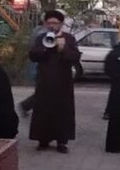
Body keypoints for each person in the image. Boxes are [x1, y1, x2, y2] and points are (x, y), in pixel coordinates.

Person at [28, 10, 81, 153]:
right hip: (45, 81)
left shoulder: (69, 38)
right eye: (49, 23)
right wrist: (45, 48)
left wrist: (63, 49)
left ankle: (61, 141)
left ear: (61, 24)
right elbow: (33, 56)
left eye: (55, 23)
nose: (52, 26)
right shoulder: (41, 38)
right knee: (43, 110)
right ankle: (43, 139)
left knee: (62, 111)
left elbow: (75, 57)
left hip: (63, 82)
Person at [18, 19, 48, 117]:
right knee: (43, 91)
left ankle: (27, 106)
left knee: (43, 90)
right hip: (39, 65)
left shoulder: (37, 30)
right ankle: (25, 105)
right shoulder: (43, 33)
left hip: (36, 64)